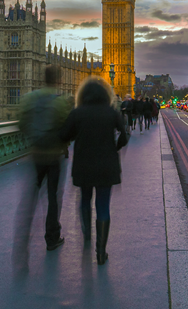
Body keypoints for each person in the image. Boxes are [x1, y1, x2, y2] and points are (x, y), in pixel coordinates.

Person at [60, 77, 128, 265]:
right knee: (103, 206)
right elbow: (124, 135)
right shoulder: (111, 112)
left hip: (84, 165)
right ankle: (100, 252)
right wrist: (115, 148)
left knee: (85, 199)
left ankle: (87, 234)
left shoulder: (78, 112)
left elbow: (64, 135)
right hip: (107, 165)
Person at [17, 65, 72, 251]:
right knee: (53, 198)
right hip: (54, 156)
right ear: (58, 80)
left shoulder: (29, 98)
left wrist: (34, 138)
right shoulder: (59, 101)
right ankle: (52, 238)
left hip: (35, 155)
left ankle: (22, 239)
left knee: (30, 197)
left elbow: (22, 122)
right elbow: (67, 128)